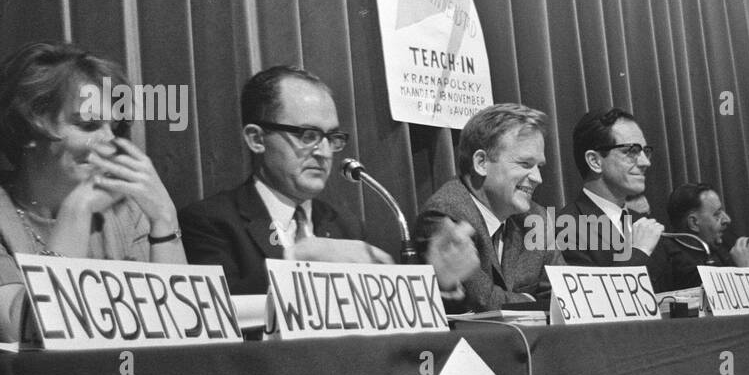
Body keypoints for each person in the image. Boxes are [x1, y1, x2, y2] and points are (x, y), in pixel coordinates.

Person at [0, 41, 185, 341]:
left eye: (113, 128)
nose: (110, 141)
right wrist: (76, 211)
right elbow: (26, 333)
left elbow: (177, 329)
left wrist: (164, 218)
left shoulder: (128, 212)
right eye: (88, 125)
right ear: (26, 129)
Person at [179, 65, 477, 299]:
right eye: (307, 135)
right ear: (256, 139)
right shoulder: (210, 222)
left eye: (331, 137)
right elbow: (215, 311)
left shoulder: (345, 225)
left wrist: (438, 280)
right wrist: (295, 259)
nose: (323, 152)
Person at [417, 103, 563, 311]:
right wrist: (532, 302)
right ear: (481, 163)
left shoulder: (536, 218)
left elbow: (563, 296)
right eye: (525, 164)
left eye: (539, 166)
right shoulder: (445, 215)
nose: (538, 178)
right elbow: (482, 302)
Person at [555, 108, 665, 272]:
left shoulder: (642, 223)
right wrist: (639, 252)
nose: (645, 162)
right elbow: (592, 296)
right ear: (595, 161)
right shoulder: (565, 227)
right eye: (631, 151)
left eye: (645, 151)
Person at [659, 183, 749, 294]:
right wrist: (747, 272)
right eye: (717, 214)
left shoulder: (726, 243)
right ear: (694, 223)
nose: (727, 220)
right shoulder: (673, 257)